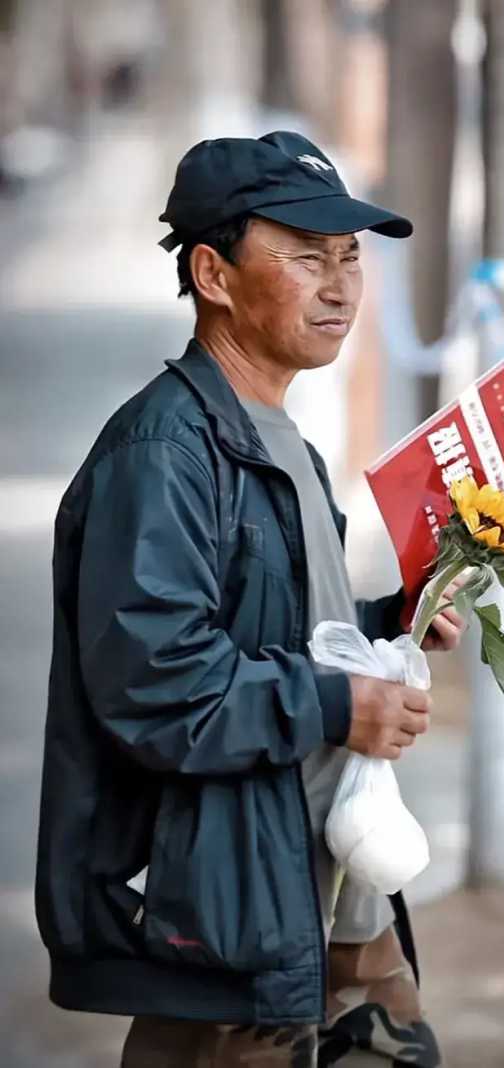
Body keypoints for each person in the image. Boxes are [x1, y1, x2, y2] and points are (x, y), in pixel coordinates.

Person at [35, 131, 467, 1067]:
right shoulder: (162, 458)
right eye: (307, 258)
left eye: (350, 259)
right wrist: (334, 703)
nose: (341, 287)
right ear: (214, 274)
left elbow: (278, 634)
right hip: (228, 921)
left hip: (332, 897)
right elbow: (155, 685)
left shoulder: (286, 444)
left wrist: (389, 624)